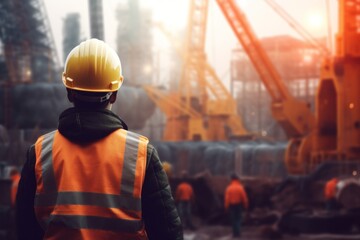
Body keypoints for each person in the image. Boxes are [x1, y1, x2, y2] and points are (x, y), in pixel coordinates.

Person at [16, 38, 183, 240]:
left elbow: (25, 230)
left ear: (69, 92)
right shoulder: (141, 155)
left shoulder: (40, 153)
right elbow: (167, 233)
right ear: (114, 95)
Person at [224, 172, 248, 238]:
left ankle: (235, 233)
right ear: (237, 179)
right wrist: (245, 206)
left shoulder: (229, 188)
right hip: (238, 205)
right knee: (238, 219)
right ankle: (238, 233)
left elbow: (227, 199)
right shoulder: (240, 187)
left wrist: (226, 207)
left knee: (233, 219)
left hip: (232, 206)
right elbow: (244, 198)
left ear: (231, 179)